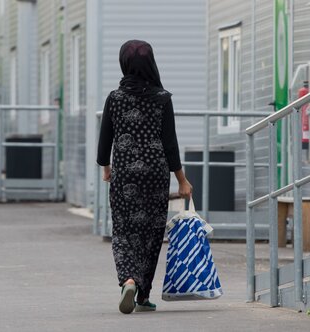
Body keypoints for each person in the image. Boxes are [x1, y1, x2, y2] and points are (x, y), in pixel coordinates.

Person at [96, 40, 193, 314]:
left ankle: (128, 279)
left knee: (125, 230)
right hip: (155, 173)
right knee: (151, 233)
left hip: (125, 174)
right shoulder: (162, 98)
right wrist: (182, 180)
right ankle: (143, 295)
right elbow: (170, 143)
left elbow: (105, 140)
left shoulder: (115, 98)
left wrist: (106, 168)